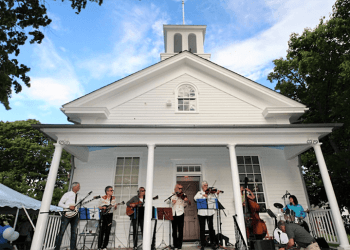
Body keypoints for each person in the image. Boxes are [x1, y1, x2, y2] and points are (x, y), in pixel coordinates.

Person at [194, 181, 221, 250]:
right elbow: (195, 198)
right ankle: (202, 244)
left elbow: (215, 200)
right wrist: (203, 196)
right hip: (201, 213)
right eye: (205, 185)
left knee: (211, 228)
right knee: (202, 229)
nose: (206, 186)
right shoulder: (199, 193)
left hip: (210, 212)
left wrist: (217, 194)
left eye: (207, 185)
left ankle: (212, 243)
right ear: (202, 186)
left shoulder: (211, 194)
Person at [55, 182, 80, 250]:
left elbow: (79, 204)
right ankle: (56, 248)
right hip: (67, 214)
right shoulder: (67, 194)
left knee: (74, 233)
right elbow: (60, 203)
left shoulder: (78, 196)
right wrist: (68, 206)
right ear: (74, 187)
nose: (79, 188)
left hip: (75, 215)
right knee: (62, 232)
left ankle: (73, 248)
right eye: (78, 186)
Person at [170, 184, 189, 250]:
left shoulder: (183, 195)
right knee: (174, 230)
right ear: (175, 189)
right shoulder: (172, 195)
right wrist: (172, 202)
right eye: (179, 188)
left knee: (180, 230)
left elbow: (185, 205)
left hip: (180, 213)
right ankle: (175, 245)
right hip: (173, 214)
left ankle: (179, 246)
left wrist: (186, 201)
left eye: (181, 189)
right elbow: (168, 202)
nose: (180, 190)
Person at [98, 186, 118, 250]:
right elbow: (98, 206)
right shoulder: (102, 198)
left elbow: (114, 207)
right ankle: (99, 246)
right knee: (102, 231)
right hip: (103, 215)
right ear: (107, 192)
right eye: (111, 190)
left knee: (108, 231)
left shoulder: (113, 198)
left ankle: (104, 246)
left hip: (110, 215)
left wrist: (115, 206)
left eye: (112, 190)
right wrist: (103, 207)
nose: (112, 191)